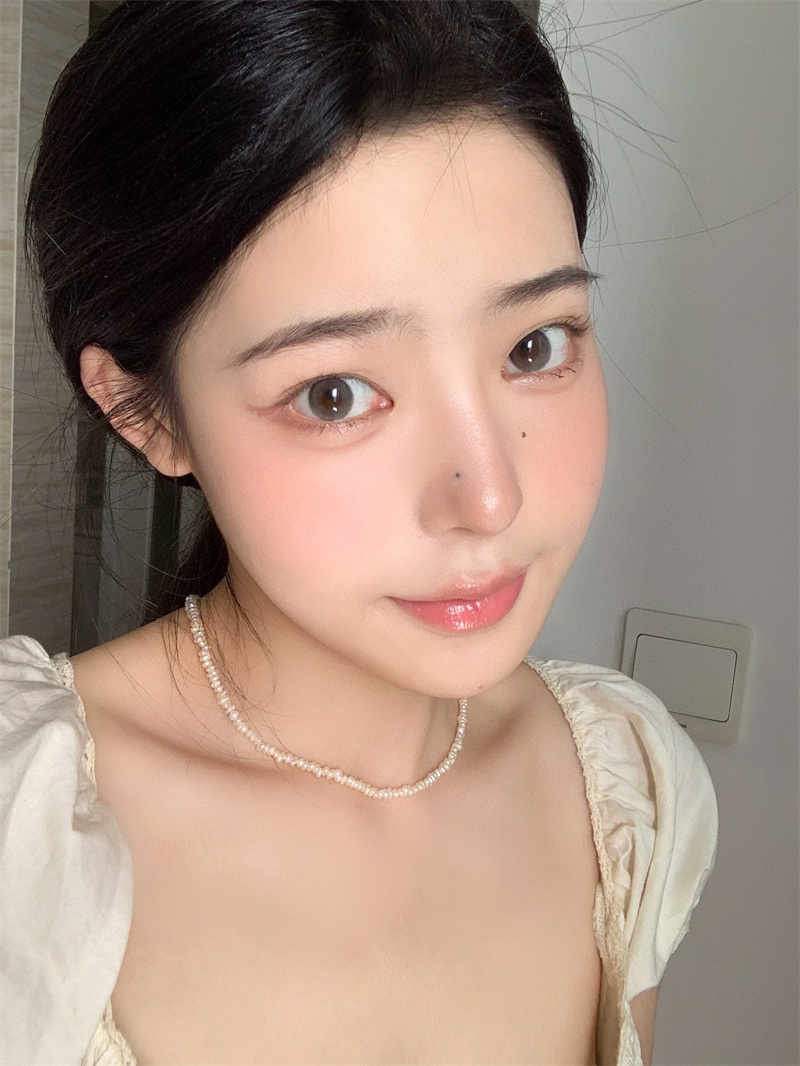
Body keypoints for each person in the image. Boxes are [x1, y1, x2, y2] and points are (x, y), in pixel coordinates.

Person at [0, 2, 719, 1064]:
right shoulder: (24, 837)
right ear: (145, 412)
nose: (488, 498)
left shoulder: (623, 785)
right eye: (333, 394)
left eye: (533, 345)